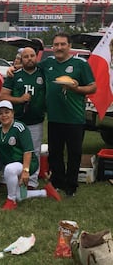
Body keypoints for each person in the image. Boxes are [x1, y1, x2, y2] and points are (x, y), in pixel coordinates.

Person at [38, 32, 96, 196]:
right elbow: (31, 68)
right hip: (54, 117)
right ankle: (58, 182)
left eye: (63, 44)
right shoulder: (47, 63)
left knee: (74, 154)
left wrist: (76, 89)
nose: (59, 47)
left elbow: (93, 87)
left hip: (74, 117)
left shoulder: (80, 64)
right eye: (56, 45)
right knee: (55, 153)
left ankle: (71, 186)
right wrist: (14, 69)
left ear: (69, 46)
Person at [0, 100, 61, 210]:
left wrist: (25, 171)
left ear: (12, 113)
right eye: (1, 113)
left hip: (27, 163)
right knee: (20, 195)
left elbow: (28, 151)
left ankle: (10, 201)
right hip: (13, 164)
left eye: (7, 112)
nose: (4, 115)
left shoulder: (20, 127)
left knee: (9, 169)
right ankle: (45, 192)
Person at [0, 47, 46, 189]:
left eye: (32, 55)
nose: (29, 58)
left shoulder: (43, 73)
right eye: (26, 56)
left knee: (34, 150)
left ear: (36, 57)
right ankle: (7, 177)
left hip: (35, 119)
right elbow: (2, 96)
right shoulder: (14, 75)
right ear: (21, 58)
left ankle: (31, 180)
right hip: (16, 119)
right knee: (11, 148)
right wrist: (19, 100)